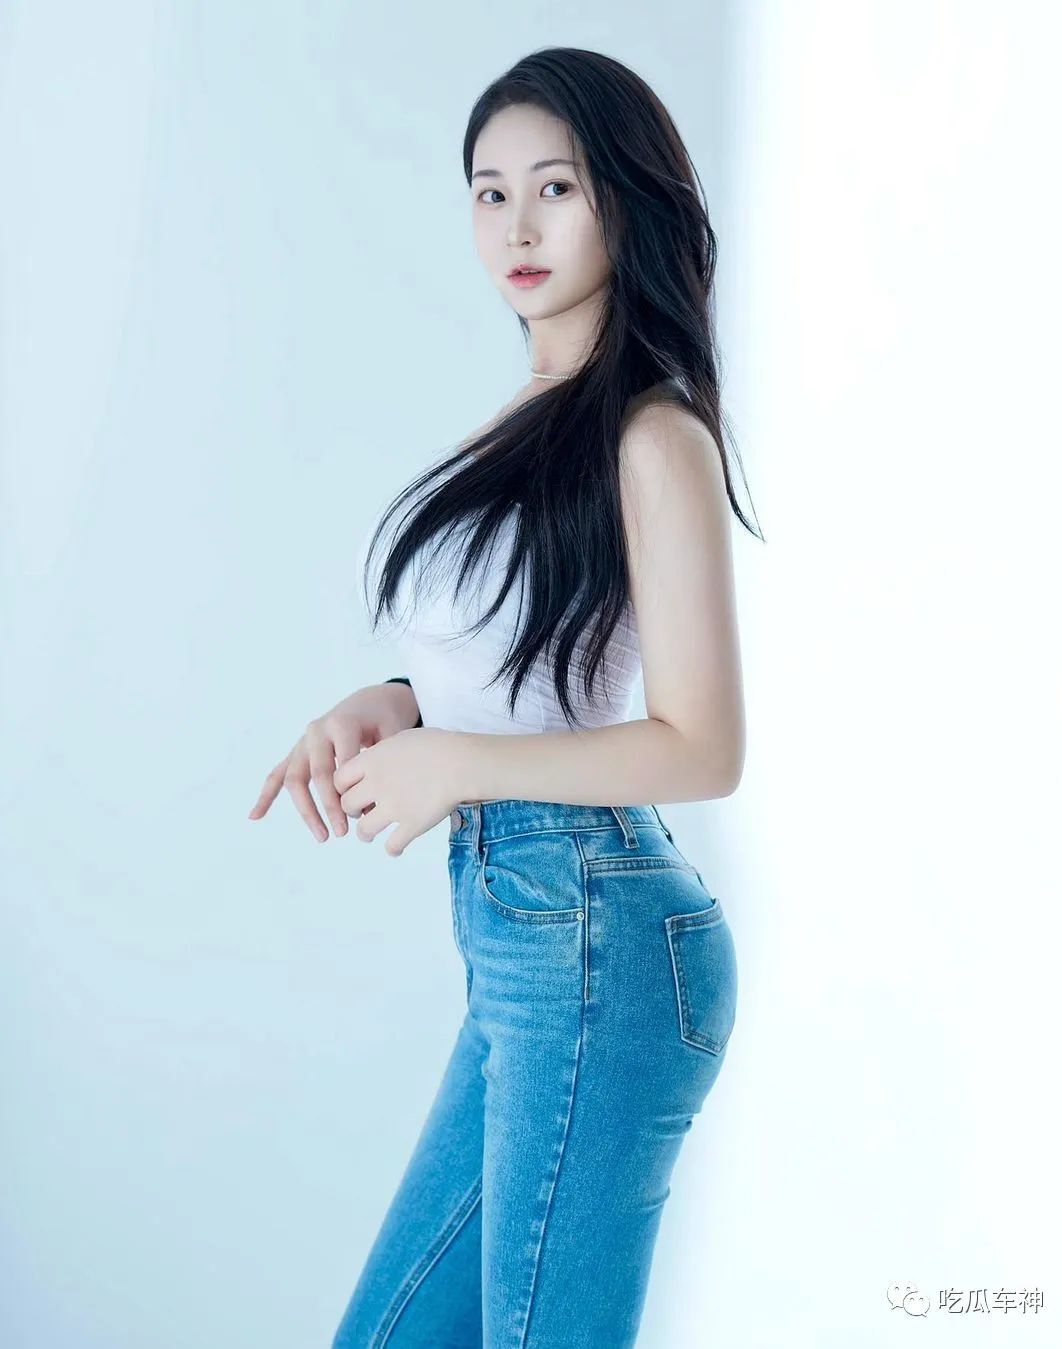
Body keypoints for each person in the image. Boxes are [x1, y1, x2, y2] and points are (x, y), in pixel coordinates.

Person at [250, 44, 761, 1349]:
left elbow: (703, 745)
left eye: (556, 188)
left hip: (598, 932)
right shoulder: (529, 419)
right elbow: (533, 659)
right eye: (490, 193)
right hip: (526, 936)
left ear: (624, 199)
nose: (518, 226)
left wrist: (463, 764)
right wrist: (400, 705)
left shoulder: (653, 435)